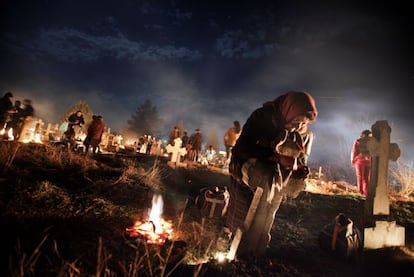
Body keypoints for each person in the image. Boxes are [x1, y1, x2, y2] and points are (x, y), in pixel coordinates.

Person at [224, 91, 318, 258]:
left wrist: (300, 170)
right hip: (248, 169)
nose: (298, 127)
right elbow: (243, 148)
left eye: (303, 124)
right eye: (296, 121)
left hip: (277, 179)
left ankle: (256, 247)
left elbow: (300, 158)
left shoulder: (303, 134)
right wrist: (276, 157)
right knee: (241, 215)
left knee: (266, 214)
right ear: (289, 110)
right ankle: (229, 245)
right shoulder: (263, 117)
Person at [351, 129, 372, 196]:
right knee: (366, 178)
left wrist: (353, 160)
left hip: (359, 161)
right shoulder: (371, 143)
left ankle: (360, 192)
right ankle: (365, 193)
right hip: (367, 162)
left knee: (360, 177)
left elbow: (354, 151)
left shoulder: (358, 141)